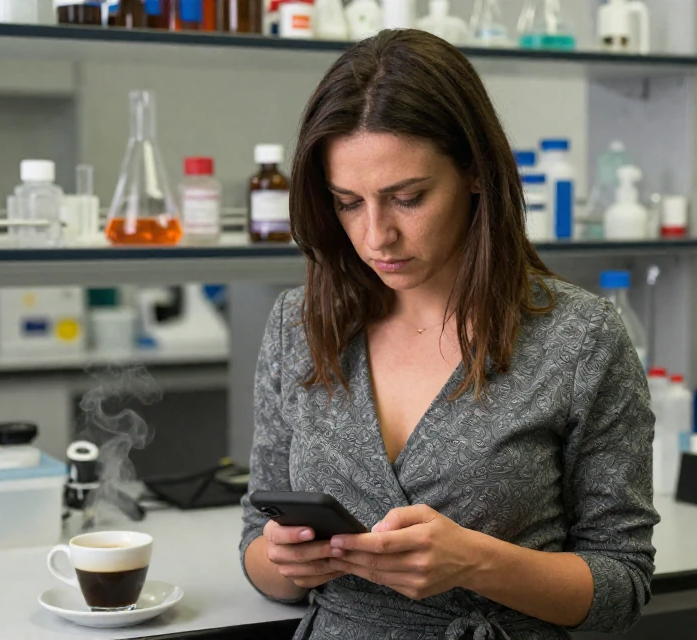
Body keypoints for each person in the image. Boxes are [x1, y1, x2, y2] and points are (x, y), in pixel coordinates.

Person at [239, 29, 658, 639]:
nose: (376, 236)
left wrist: (478, 562)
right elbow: (258, 544)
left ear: (475, 174)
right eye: (347, 203)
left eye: (407, 198)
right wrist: (289, 562)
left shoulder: (580, 340)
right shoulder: (300, 325)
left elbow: (622, 585)